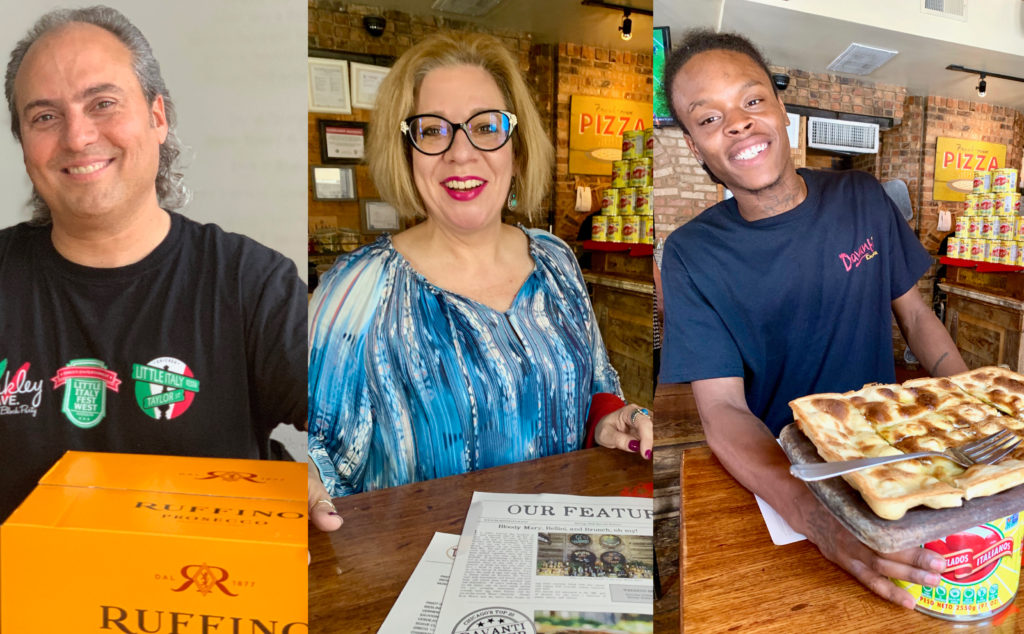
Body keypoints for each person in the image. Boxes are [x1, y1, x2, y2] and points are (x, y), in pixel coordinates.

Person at [659, 29, 968, 609]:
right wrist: (814, 515)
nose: (739, 123)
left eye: (752, 101)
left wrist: (971, 409)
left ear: (781, 107)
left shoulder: (863, 197)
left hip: (896, 456)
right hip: (783, 480)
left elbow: (919, 321)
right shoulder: (690, 254)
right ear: (696, 149)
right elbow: (722, 410)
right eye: (708, 118)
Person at [306, 32, 652, 509]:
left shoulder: (555, 260)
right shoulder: (356, 291)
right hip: (421, 571)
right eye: (432, 130)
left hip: (559, 560)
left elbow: (593, 386)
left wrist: (612, 418)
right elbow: (316, 459)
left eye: (485, 126)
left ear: (517, 144)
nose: (461, 152)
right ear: (405, 151)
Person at [0, 6, 307, 522]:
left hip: (199, 592)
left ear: (157, 117)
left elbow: (364, 431)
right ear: (26, 144)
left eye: (102, 103)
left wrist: (314, 475)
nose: (77, 137)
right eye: (45, 116)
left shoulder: (252, 284)